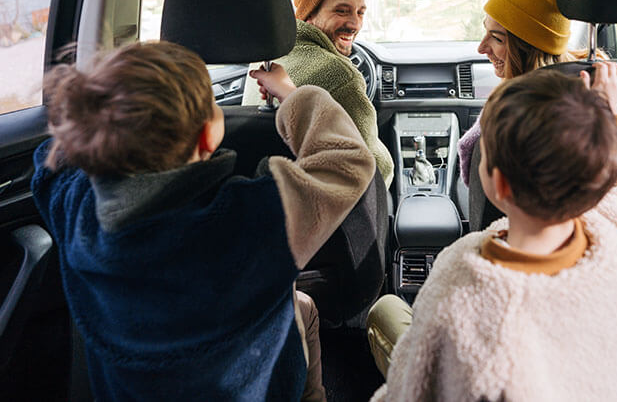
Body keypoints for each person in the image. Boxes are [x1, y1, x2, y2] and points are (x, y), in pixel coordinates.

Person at [31, 41, 375, 402]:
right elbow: (346, 160)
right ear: (208, 135)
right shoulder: (252, 220)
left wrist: (96, 124)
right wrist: (291, 93)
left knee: (299, 306)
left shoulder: (75, 207)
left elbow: (50, 161)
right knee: (302, 306)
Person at [367, 63, 617, 402]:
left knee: (385, 311)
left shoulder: (461, 288)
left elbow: (416, 388)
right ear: (601, 172)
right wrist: (609, 117)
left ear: (500, 184)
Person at [242, 0, 394, 188]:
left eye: (360, 12)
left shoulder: (265, 61)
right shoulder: (342, 75)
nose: (355, 24)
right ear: (310, 13)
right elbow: (376, 171)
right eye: (341, 11)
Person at [457, 0, 581, 187]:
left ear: (528, 51)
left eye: (497, 38)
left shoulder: (516, 112)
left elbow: (474, 180)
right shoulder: (598, 82)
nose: (481, 48)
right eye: (486, 31)